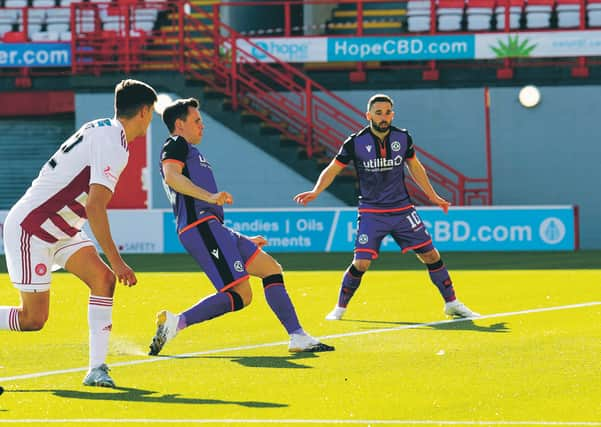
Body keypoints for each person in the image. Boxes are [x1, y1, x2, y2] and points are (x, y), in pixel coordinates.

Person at [0, 79, 158, 388]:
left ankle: (97, 369)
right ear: (143, 111)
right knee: (33, 319)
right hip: (33, 228)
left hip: (62, 228)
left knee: (103, 280)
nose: (151, 120)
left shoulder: (102, 129)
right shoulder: (114, 143)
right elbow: (96, 207)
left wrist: (111, 265)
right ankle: (97, 368)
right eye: (151, 113)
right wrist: (118, 260)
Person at [148, 97, 334, 355]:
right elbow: (171, 177)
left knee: (271, 268)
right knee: (241, 295)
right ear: (179, 124)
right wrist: (211, 196)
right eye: (197, 120)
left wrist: (240, 239)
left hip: (213, 227)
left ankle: (298, 336)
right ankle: (176, 322)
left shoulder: (191, 150)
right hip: (200, 227)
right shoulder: (176, 143)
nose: (202, 125)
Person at [294, 94, 479, 321]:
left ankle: (452, 303)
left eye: (387, 112)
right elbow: (333, 168)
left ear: (393, 114)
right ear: (368, 115)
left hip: (403, 209)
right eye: (378, 112)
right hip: (372, 212)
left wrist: (433, 195)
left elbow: (415, 167)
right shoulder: (355, 141)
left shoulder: (403, 137)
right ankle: (339, 309)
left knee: (431, 255)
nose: (383, 117)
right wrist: (316, 191)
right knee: (361, 262)